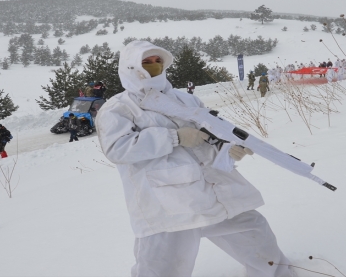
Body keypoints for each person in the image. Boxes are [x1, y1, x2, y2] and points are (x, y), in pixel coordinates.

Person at [95, 41, 294, 277]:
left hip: (213, 190)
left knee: (257, 236)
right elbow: (118, 148)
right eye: (146, 62)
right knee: (162, 266)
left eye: (158, 61)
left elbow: (209, 131)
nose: (154, 66)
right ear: (130, 67)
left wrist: (227, 146)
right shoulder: (118, 108)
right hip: (166, 202)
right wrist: (174, 137)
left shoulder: (185, 99)